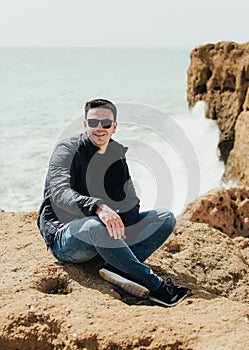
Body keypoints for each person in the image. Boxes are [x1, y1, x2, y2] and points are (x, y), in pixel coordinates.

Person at [37, 98, 190, 307]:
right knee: (95, 225)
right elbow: (58, 193)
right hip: (67, 237)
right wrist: (98, 207)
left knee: (164, 218)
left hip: (102, 235)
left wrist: (124, 229)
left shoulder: (116, 154)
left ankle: (117, 269)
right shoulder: (66, 150)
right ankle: (156, 286)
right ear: (84, 124)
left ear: (114, 127)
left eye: (106, 123)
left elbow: (130, 200)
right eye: (93, 123)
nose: (100, 128)